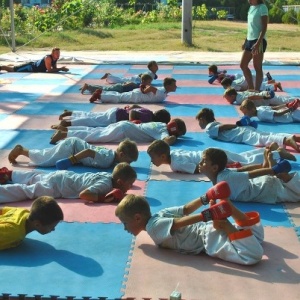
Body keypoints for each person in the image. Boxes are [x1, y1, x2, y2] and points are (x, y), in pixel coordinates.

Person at [115, 188, 264, 265]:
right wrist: (206, 197)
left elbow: (179, 223)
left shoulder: (153, 228)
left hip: (207, 239)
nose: (124, 228)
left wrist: (207, 215)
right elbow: (186, 209)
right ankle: (227, 205)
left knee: (252, 256)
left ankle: (224, 223)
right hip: (207, 229)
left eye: (125, 223)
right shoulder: (161, 213)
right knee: (256, 237)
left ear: (137, 218)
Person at [198, 147, 300, 203]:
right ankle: (274, 169)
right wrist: (262, 167)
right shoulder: (223, 174)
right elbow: (241, 169)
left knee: (293, 193)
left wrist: (273, 170)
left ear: (214, 168)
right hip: (263, 185)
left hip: (268, 189)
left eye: (203, 161)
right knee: (285, 184)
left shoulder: (225, 178)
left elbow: (251, 174)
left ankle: (281, 174)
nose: (200, 163)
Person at [0, 162, 137, 204]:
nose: (130, 188)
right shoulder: (105, 185)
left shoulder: (108, 176)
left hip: (62, 175)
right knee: (28, 191)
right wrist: (105, 199)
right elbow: (85, 194)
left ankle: (8, 174)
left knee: (34, 176)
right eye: (129, 184)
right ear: (119, 182)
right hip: (57, 187)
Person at [147, 139, 296, 174]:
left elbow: (198, 169)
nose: (151, 161)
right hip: (211, 151)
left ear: (162, 156)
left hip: (212, 158)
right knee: (243, 157)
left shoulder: (176, 164)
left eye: (153, 157)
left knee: (243, 162)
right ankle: (270, 150)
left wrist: (219, 169)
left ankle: (275, 154)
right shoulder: (173, 153)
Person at [195, 108, 300, 152]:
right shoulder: (214, 123)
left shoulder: (208, 128)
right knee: (267, 134)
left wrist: (236, 125)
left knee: (263, 139)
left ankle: (287, 140)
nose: (199, 124)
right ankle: (294, 138)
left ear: (202, 119)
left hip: (241, 133)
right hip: (244, 130)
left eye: (199, 121)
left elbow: (222, 128)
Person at [8, 137, 138, 170]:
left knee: (47, 153)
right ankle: (21, 151)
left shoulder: (111, 154)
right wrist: (71, 160)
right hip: (72, 149)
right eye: (129, 161)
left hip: (74, 144)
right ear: (121, 155)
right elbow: (88, 152)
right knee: (46, 161)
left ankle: (23, 150)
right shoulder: (107, 160)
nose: (129, 164)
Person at [50, 118, 187, 146]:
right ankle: (64, 134)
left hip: (125, 125)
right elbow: (166, 142)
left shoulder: (161, 123)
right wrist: (174, 137)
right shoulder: (164, 130)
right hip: (124, 131)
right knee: (96, 136)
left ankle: (67, 129)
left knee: (96, 130)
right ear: (174, 129)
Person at [52, 105, 171, 128]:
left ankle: (71, 113)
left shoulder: (149, 111)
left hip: (116, 111)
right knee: (93, 121)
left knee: (93, 115)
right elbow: (133, 113)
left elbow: (135, 106)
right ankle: (67, 123)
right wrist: (130, 123)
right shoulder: (148, 118)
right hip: (115, 118)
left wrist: (129, 108)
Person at [240, 0, 268, 91]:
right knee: (243, 65)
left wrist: (258, 43)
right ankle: (251, 88)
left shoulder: (262, 7)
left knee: (257, 66)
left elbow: (264, 27)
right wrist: (245, 41)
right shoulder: (251, 8)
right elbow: (250, 27)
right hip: (249, 39)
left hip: (259, 40)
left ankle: (256, 90)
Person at [88, 77, 177, 104]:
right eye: (174, 85)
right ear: (168, 86)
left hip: (138, 95)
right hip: (138, 97)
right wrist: (144, 91)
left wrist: (144, 89)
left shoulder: (163, 91)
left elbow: (150, 88)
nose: (176, 87)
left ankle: (103, 93)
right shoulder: (162, 92)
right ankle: (100, 96)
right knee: (119, 98)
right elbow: (151, 88)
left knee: (120, 96)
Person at [0, 47, 69, 73]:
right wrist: (61, 69)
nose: (58, 54)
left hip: (34, 68)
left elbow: (54, 69)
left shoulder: (55, 59)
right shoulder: (48, 58)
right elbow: (49, 70)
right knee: (13, 70)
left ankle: (7, 66)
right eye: (56, 53)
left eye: (59, 53)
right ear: (52, 53)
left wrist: (61, 69)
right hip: (30, 67)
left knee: (15, 68)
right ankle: (2, 67)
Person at [80, 73, 154, 95]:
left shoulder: (141, 84)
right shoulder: (138, 84)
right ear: (143, 81)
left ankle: (89, 87)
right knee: (104, 90)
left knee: (105, 89)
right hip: (120, 88)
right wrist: (124, 85)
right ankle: (88, 86)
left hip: (120, 88)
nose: (150, 84)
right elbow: (131, 83)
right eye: (149, 82)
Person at [223, 87, 294, 106]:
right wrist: (259, 92)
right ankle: (295, 99)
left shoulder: (239, 99)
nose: (227, 100)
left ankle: (296, 100)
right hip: (262, 94)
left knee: (283, 101)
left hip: (265, 98)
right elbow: (249, 90)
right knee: (282, 99)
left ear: (232, 96)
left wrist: (264, 97)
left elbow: (251, 97)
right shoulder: (238, 93)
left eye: (227, 98)